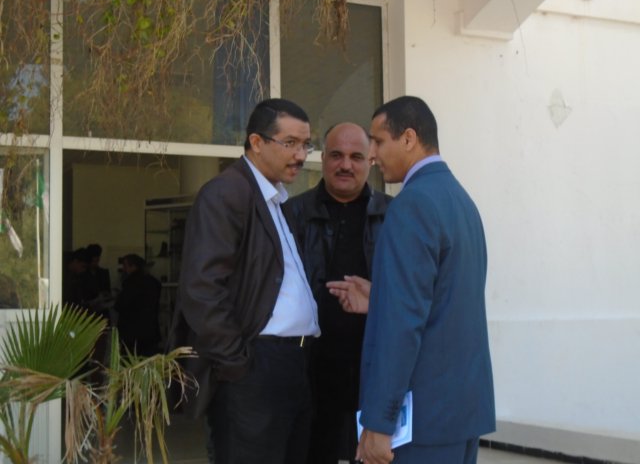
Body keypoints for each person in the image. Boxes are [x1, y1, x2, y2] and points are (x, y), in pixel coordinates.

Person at [332, 96, 495, 464]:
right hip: (461, 413)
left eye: (378, 141)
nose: (372, 154)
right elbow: (445, 301)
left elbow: (402, 325)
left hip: (422, 422)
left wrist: (379, 421)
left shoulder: (411, 204)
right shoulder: (461, 201)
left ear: (408, 138)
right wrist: (381, 298)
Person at [169, 98, 320, 464]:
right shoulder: (227, 193)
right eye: (290, 143)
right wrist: (238, 365)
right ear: (256, 142)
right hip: (255, 367)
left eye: (306, 145)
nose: (301, 155)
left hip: (293, 364)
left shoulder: (276, 200)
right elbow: (202, 290)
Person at [284, 122, 391, 464]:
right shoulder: (291, 214)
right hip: (310, 370)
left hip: (373, 368)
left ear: (370, 160)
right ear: (322, 159)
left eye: (356, 157)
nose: (346, 165)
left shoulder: (394, 215)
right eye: (336, 155)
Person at [114, 254, 161, 357]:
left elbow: (120, 305)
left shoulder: (130, 283)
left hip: (131, 333)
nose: (123, 269)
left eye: (125, 266)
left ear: (133, 266)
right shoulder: (153, 282)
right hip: (150, 330)